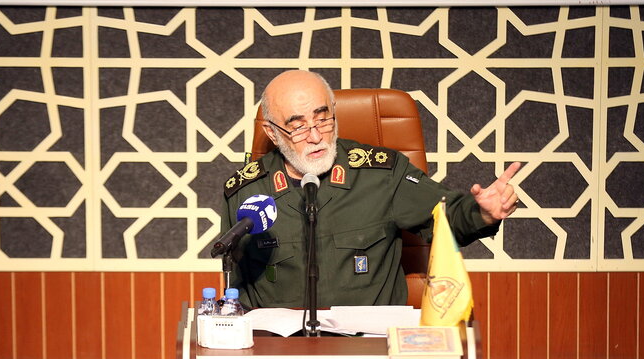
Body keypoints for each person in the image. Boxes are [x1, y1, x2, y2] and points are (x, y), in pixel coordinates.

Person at [219, 69, 521, 309]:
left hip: (370, 345)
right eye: (298, 127)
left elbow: (447, 215)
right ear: (272, 133)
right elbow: (238, 291)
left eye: (323, 119)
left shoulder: (381, 175)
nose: (315, 136)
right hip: (282, 352)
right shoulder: (245, 193)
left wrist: (482, 213)